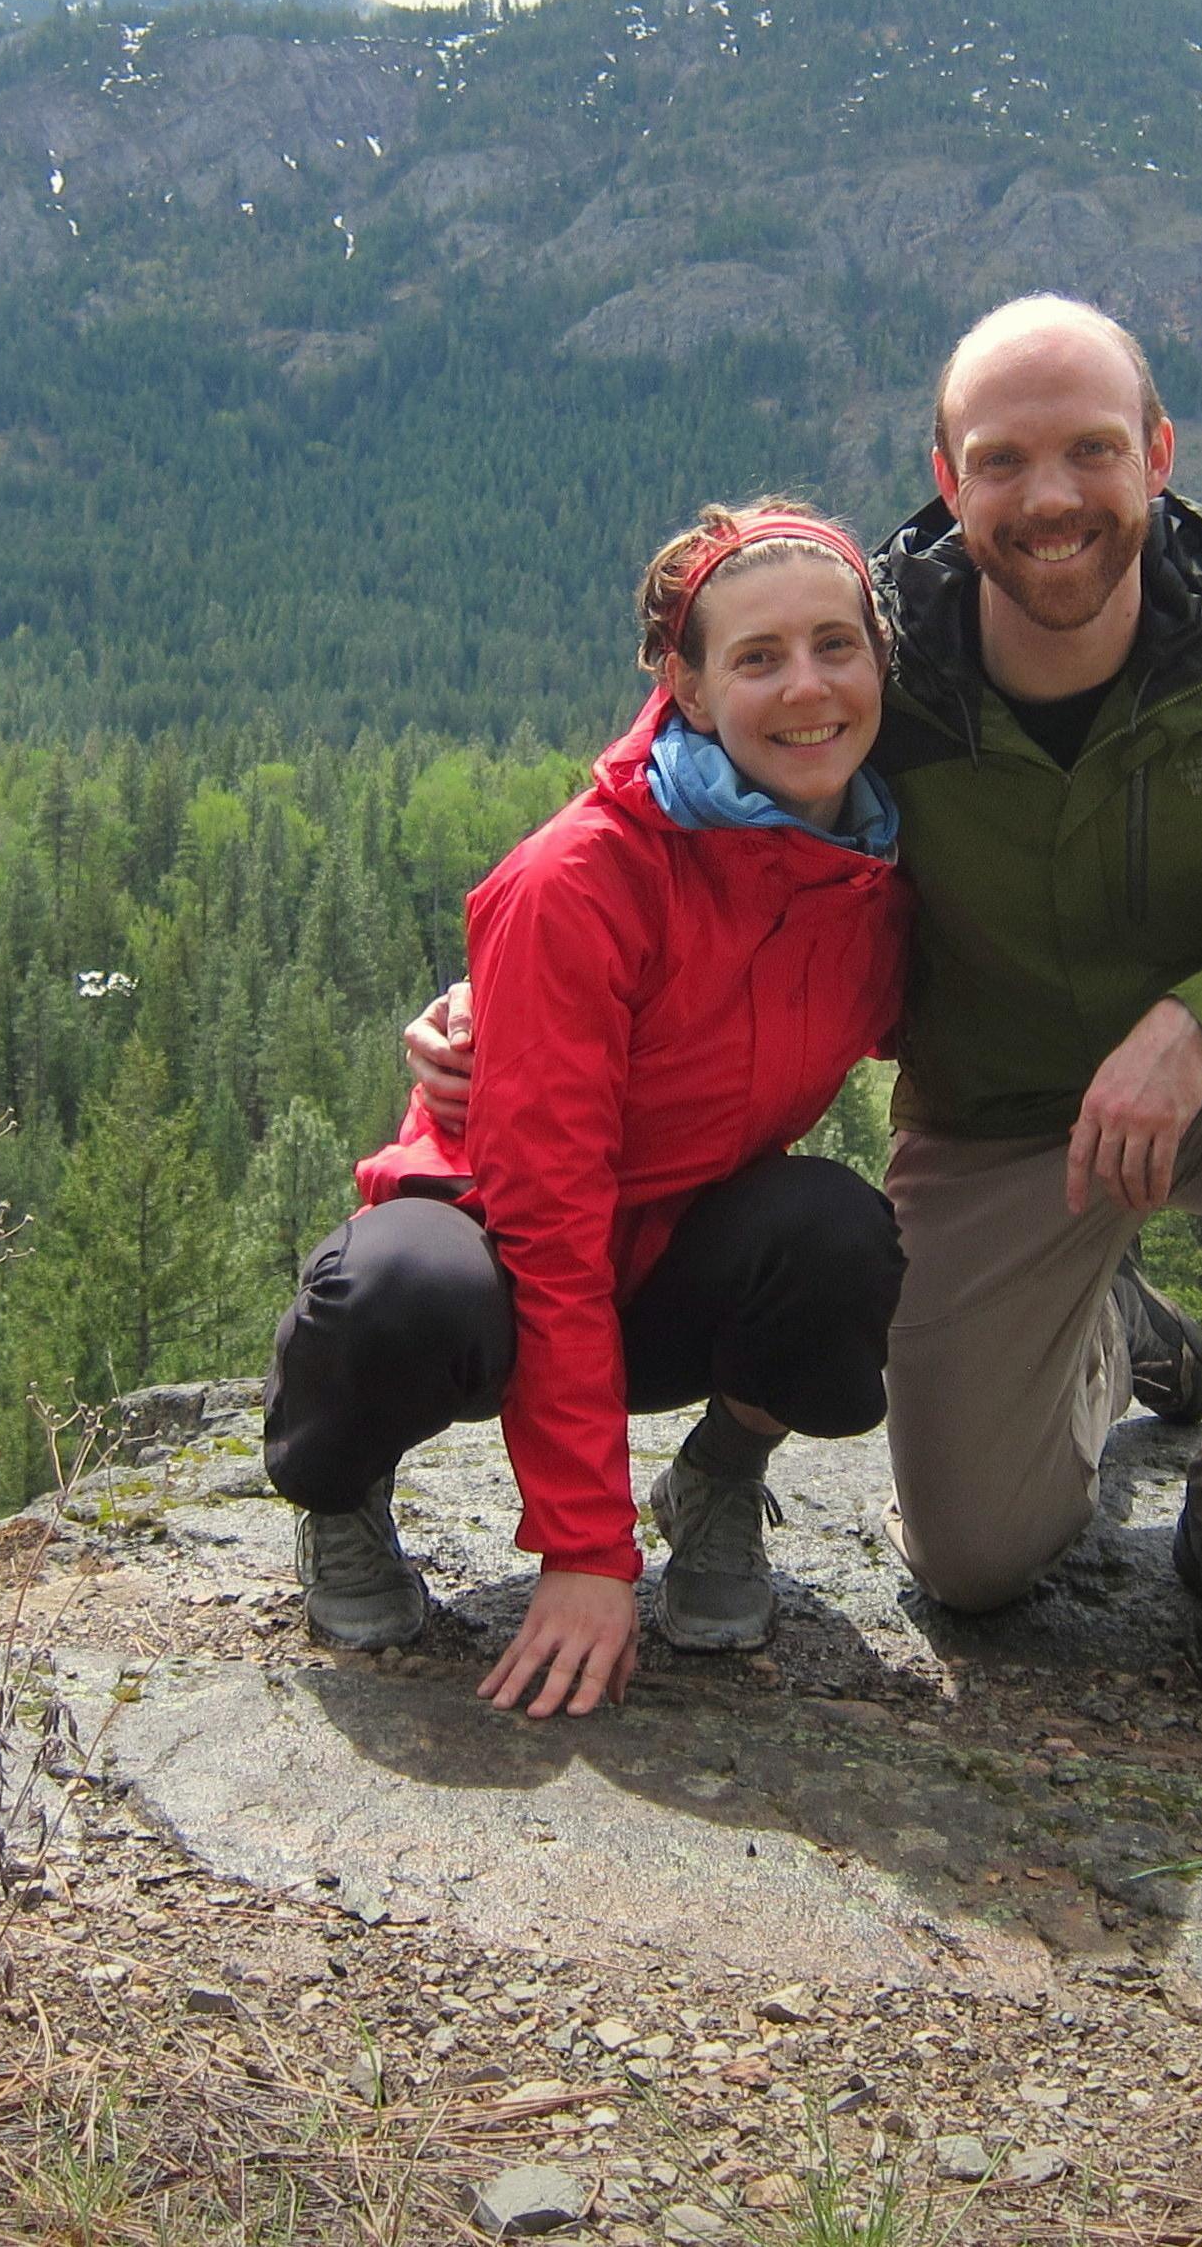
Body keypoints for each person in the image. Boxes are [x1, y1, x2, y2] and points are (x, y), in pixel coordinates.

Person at [409, 296, 1202, 1723]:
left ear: (1160, 455)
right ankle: (1108, 1327)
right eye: (1003, 460)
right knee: (977, 1566)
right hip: (999, 1130)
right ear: (948, 479)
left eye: (1092, 451)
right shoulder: (880, 657)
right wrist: (512, 976)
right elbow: (687, 766)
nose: (1051, 500)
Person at [263, 501, 910, 1719]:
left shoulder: (874, 872)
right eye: (756, 656)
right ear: (689, 686)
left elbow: (984, 1058)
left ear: (880, 657)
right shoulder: (581, 880)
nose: (808, 686)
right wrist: (584, 1552)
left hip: (671, 1260)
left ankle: (716, 1475)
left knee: (836, 1239)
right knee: (395, 1293)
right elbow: (548, 1222)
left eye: (836, 645)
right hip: (504, 1250)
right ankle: (339, 1494)